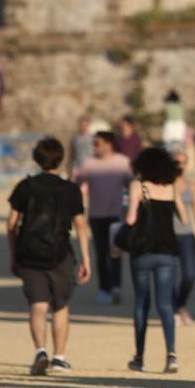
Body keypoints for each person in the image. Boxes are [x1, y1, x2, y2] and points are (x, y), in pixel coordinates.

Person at [7, 137, 92, 375]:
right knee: (60, 305)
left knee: (38, 305)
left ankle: (40, 351)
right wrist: (86, 258)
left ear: (37, 158)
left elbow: (11, 224)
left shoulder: (25, 187)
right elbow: (81, 226)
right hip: (60, 254)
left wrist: (14, 254)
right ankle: (59, 357)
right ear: (60, 158)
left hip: (30, 253)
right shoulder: (71, 190)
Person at [123, 148, 187, 373]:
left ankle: (139, 357)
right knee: (165, 305)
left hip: (142, 251)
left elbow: (131, 218)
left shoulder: (138, 186)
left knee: (142, 303)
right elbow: (184, 217)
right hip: (167, 250)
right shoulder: (171, 187)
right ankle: (171, 354)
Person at [75, 130, 131, 305]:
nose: (94, 147)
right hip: (96, 215)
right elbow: (75, 187)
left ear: (108, 144)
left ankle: (116, 287)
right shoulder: (88, 164)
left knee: (115, 252)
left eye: (97, 143)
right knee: (100, 254)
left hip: (115, 215)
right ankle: (104, 289)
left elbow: (133, 185)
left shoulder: (122, 162)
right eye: (93, 143)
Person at [171, 150, 195, 325]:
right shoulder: (165, 184)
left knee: (190, 274)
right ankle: (175, 309)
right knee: (169, 274)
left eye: (183, 162)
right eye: (177, 161)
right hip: (168, 236)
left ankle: (180, 303)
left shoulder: (191, 185)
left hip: (186, 235)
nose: (180, 165)